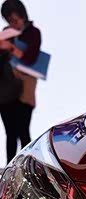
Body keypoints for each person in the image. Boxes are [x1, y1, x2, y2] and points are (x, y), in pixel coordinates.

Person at [0, 0, 40, 163]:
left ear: (22, 16)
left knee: (23, 130)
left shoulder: (32, 33)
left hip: (24, 89)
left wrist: (11, 48)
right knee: (10, 132)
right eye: (9, 20)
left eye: (15, 19)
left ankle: (26, 167)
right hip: (5, 89)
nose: (13, 23)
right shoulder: (5, 33)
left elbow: (30, 58)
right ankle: (8, 168)